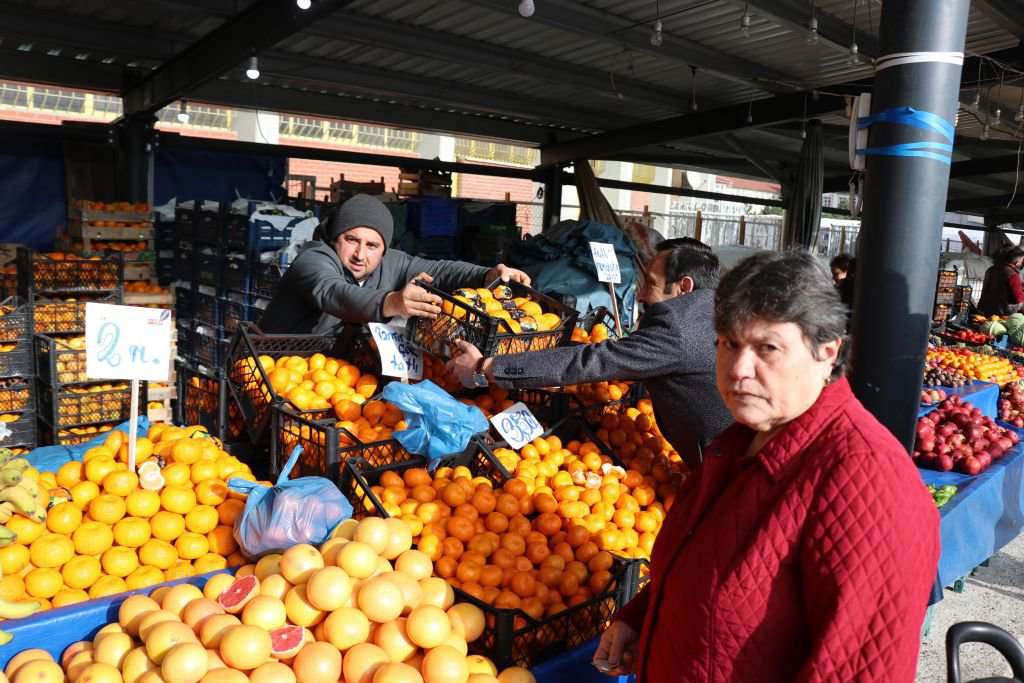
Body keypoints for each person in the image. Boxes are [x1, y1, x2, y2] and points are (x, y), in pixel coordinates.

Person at [594, 250, 939, 682]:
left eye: (768, 348)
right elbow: (713, 572)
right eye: (729, 343)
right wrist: (643, 619)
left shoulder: (866, 480)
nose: (739, 369)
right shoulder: (740, 441)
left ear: (827, 353)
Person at [446, 237, 733, 471]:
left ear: (684, 287)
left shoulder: (677, 327)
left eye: (650, 284)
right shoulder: (720, 313)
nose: (641, 295)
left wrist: (486, 366)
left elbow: (593, 361)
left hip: (730, 471)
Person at [260, 194, 530, 334]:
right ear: (334, 238)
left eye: (372, 245)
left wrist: (487, 275)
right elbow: (333, 292)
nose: (360, 254)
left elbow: (440, 270)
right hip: (275, 367)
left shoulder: (391, 262)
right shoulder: (314, 258)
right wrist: (392, 302)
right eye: (351, 240)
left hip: (332, 378)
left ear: (384, 249)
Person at [978, 246, 1024, 316]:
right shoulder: (1013, 275)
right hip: (1001, 315)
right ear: (1017, 262)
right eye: (1021, 261)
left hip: (983, 311)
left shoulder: (991, 269)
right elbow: (1018, 299)